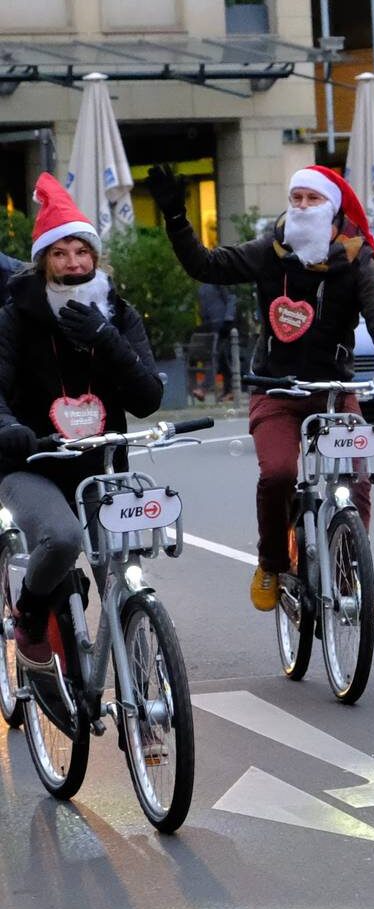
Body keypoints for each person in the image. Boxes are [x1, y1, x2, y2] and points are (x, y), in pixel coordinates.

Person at [146, 163, 374, 612]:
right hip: (275, 389)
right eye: (296, 199)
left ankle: (348, 569)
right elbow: (206, 265)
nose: (303, 207)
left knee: (358, 477)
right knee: (278, 475)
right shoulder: (269, 250)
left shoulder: (357, 256)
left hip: (333, 389)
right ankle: (271, 561)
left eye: (313, 199)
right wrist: (176, 218)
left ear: (332, 207)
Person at [0, 174, 162, 667]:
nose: (73, 263)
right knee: (63, 540)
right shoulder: (14, 316)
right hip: (34, 460)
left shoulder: (118, 313)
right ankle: (28, 615)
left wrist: (106, 338)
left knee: (116, 565)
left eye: (81, 252)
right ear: (44, 262)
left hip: (103, 463)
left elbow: (148, 397)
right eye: (60, 253)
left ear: (96, 258)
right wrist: (10, 429)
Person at [194, 280, 238, 402]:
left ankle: (203, 389)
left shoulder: (216, 280)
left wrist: (228, 319)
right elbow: (203, 307)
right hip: (210, 327)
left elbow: (231, 298)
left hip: (222, 325)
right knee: (222, 359)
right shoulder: (202, 285)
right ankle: (229, 391)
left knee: (214, 357)